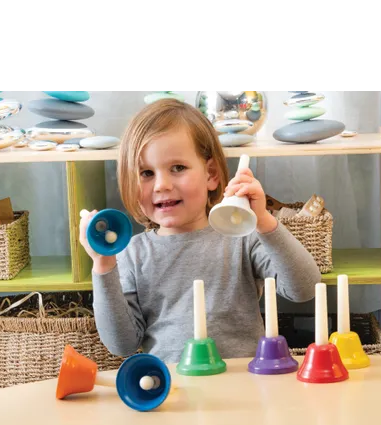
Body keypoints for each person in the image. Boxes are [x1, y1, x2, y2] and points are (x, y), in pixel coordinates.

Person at [80, 99, 322, 364]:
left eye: (178, 168)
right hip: (172, 385)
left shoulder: (241, 237)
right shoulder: (132, 254)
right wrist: (103, 266)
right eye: (146, 173)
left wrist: (264, 221)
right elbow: (122, 344)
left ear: (211, 174)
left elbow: (304, 288)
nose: (161, 185)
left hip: (242, 382)